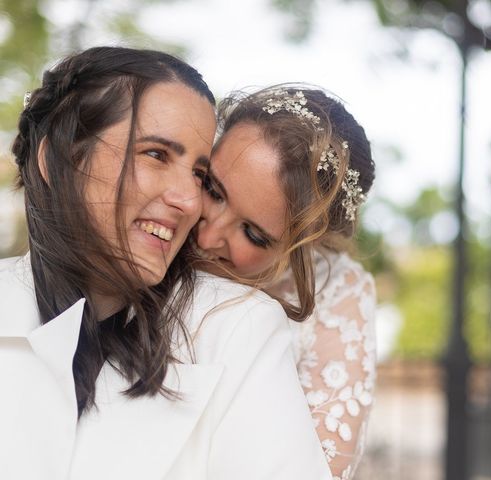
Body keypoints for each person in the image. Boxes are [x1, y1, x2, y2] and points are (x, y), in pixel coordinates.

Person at [0, 48, 330, 480]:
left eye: (198, 174)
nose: (190, 201)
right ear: (57, 158)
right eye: (155, 155)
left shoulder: (235, 329)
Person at [196, 85, 377, 480]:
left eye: (255, 235)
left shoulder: (336, 291)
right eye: (211, 189)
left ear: (308, 244)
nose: (206, 239)